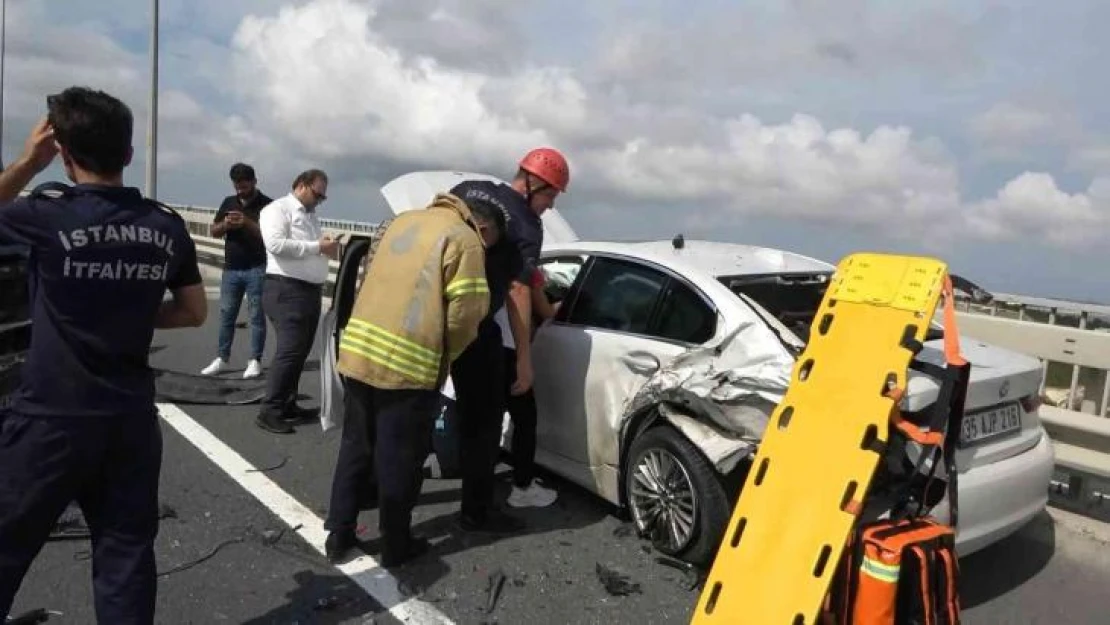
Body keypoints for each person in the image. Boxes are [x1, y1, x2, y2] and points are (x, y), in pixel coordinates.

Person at [0, 87, 206, 624]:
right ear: (129, 155)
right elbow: (192, 312)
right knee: (126, 554)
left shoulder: (46, 214)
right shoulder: (164, 223)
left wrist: (27, 162)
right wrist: (134, 311)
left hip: (51, 417)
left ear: (63, 154)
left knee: (8, 543)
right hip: (130, 420)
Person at [324, 192, 499, 567]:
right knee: (399, 458)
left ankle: (339, 534)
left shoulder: (402, 222)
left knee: (356, 445)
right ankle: (396, 543)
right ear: (482, 226)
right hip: (406, 362)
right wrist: (446, 358)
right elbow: (465, 314)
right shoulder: (464, 239)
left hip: (358, 349)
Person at [448, 147, 570, 529]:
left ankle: (384, 486)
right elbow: (517, 290)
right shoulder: (527, 225)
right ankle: (494, 501)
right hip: (493, 333)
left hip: (448, 320)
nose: (550, 207)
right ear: (535, 183)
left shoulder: (471, 189)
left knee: (450, 415)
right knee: (497, 422)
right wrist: (524, 358)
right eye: (550, 196)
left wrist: (547, 305)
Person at [255, 169, 340, 434]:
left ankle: (287, 403)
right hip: (286, 288)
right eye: (317, 194)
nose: (319, 200)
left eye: (323, 197)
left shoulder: (311, 216)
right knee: (290, 351)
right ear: (302, 186)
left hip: (307, 290)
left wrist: (324, 245)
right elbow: (276, 244)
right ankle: (270, 409)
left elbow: (310, 246)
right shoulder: (277, 210)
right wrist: (318, 247)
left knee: (300, 352)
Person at [200, 162, 272, 379]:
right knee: (226, 315)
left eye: (244, 185)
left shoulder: (268, 205)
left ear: (254, 182)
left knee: (256, 316)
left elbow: (271, 236)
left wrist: (247, 223)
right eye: (237, 186)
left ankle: (255, 360)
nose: (240, 190)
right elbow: (213, 231)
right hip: (231, 268)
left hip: (257, 268)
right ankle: (222, 358)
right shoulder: (228, 202)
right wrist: (226, 225)